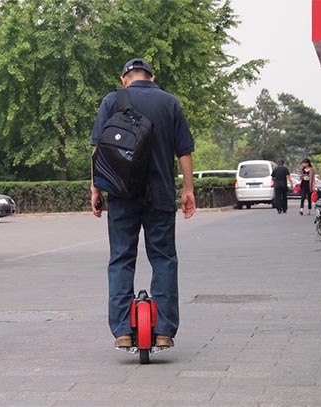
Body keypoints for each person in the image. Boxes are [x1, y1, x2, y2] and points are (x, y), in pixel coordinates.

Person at [90, 58, 196, 350]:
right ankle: (163, 330)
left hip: (121, 195)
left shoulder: (112, 100)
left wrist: (96, 189)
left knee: (121, 259)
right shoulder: (169, 102)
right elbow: (184, 151)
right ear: (152, 76)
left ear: (125, 78)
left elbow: (98, 149)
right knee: (163, 258)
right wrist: (188, 189)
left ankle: (123, 330)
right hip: (160, 195)